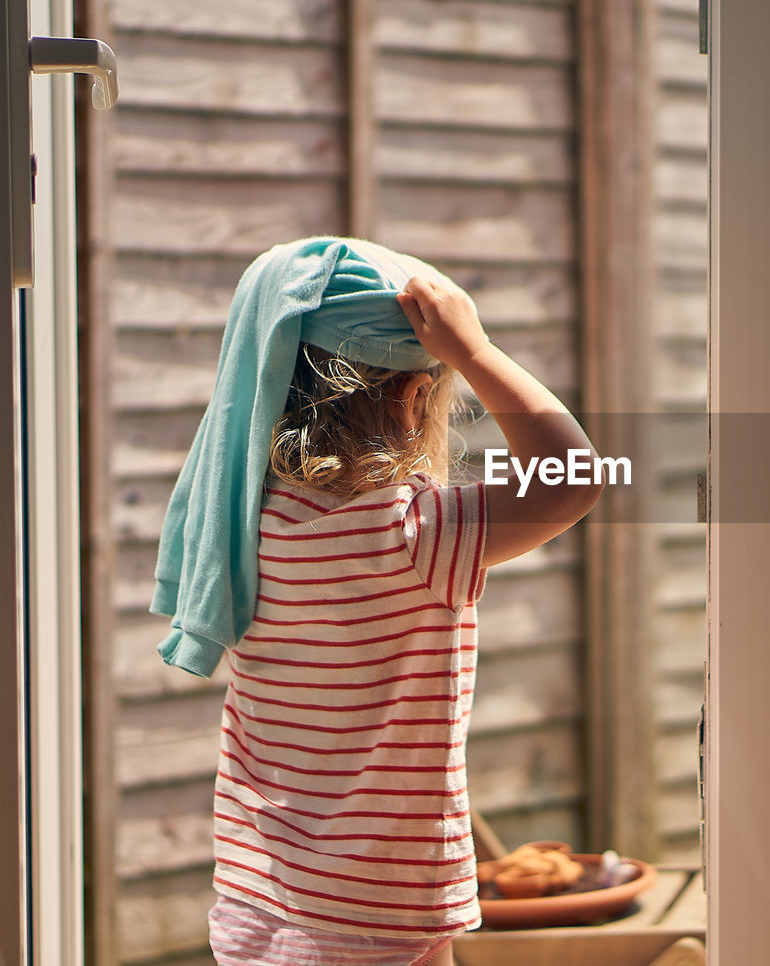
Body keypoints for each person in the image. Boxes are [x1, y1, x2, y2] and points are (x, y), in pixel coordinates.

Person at [151, 239, 601, 966]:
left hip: (253, 905)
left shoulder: (241, 523)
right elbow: (575, 473)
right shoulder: (414, 531)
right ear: (412, 398)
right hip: (381, 919)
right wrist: (478, 351)